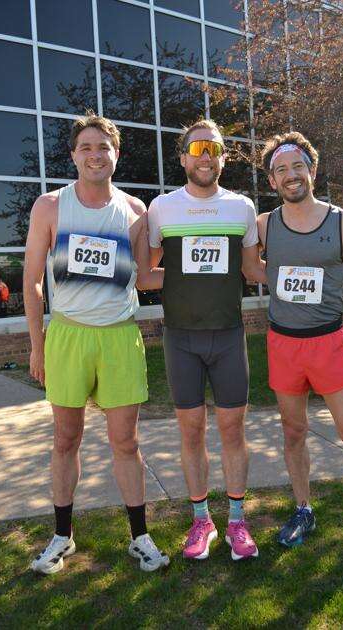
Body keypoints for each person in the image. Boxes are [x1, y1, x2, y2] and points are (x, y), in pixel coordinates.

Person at [24, 112, 169, 574]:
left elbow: (144, 277)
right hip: (68, 336)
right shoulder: (50, 207)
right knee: (65, 439)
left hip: (119, 337)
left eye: (102, 147)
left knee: (125, 441)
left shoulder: (136, 210)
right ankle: (61, 537)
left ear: (116, 154)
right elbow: (32, 283)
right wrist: (36, 345)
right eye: (85, 147)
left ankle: (140, 537)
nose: (94, 155)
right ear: (73, 155)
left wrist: (204, 271)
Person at [256, 131, 343, 569]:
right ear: (272, 181)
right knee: (293, 433)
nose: (290, 175)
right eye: (281, 169)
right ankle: (304, 510)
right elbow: (249, 268)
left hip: (331, 344)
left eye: (298, 166)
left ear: (312, 170)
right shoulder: (263, 225)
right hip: (283, 343)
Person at [148, 119, 264, 561]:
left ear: (223, 158)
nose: (205, 156)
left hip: (228, 336)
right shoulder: (162, 208)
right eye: (197, 148)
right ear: (182, 158)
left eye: (214, 149)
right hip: (180, 339)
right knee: (191, 431)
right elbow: (147, 272)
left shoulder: (241, 207)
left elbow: (252, 269)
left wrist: (308, 268)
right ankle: (201, 520)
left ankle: (236, 521)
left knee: (233, 430)